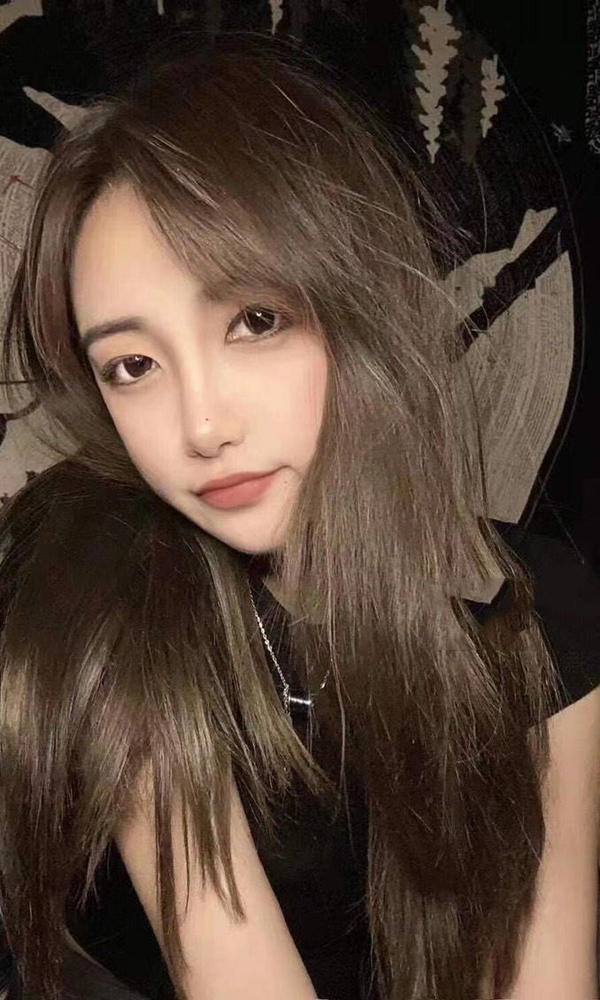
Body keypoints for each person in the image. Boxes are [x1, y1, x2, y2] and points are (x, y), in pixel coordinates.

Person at [0, 32, 598, 1000]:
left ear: (363, 304)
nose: (201, 426)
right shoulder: (114, 597)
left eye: (255, 320)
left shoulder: (544, 617)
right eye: (133, 366)